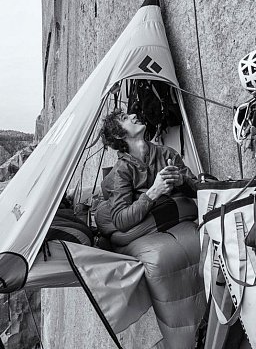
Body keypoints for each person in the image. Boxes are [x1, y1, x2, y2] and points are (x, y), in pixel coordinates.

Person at [95, 108, 205, 348]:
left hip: (176, 223)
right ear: (119, 135)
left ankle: (210, 328)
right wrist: (153, 193)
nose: (133, 116)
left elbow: (198, 188)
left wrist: (182, 182)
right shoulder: (122, 172)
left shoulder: (165, 154)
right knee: (162, 264)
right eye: (125, 118)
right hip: (148, 233)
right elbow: (122, 219)